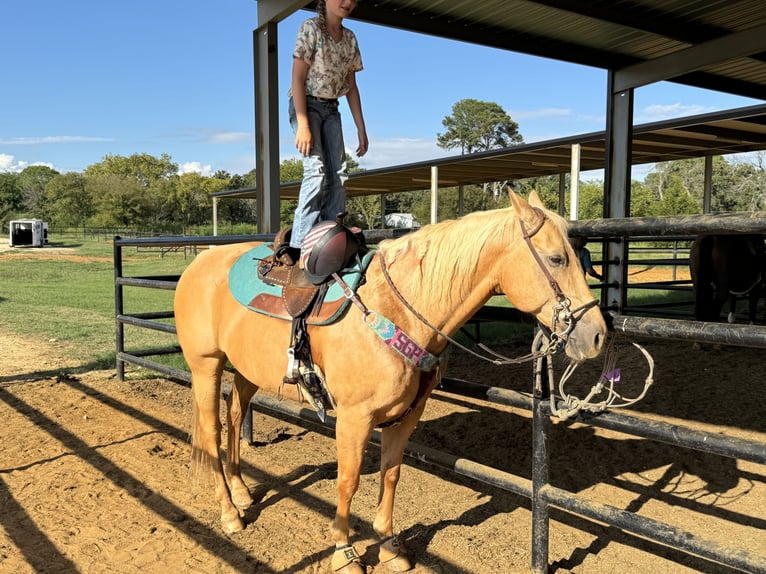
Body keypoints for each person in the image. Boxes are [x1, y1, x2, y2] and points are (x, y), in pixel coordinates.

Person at [286, 0, 368, 265]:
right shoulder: (310, 28)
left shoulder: (350, 39)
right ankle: (298, 247)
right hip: (306, 104)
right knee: (316, 171)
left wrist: (361, 127)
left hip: (332, 109)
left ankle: (329, 239)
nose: (347, 2)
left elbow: (351, 87)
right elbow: (297, 78)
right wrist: (304, 124)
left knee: (339, 174)